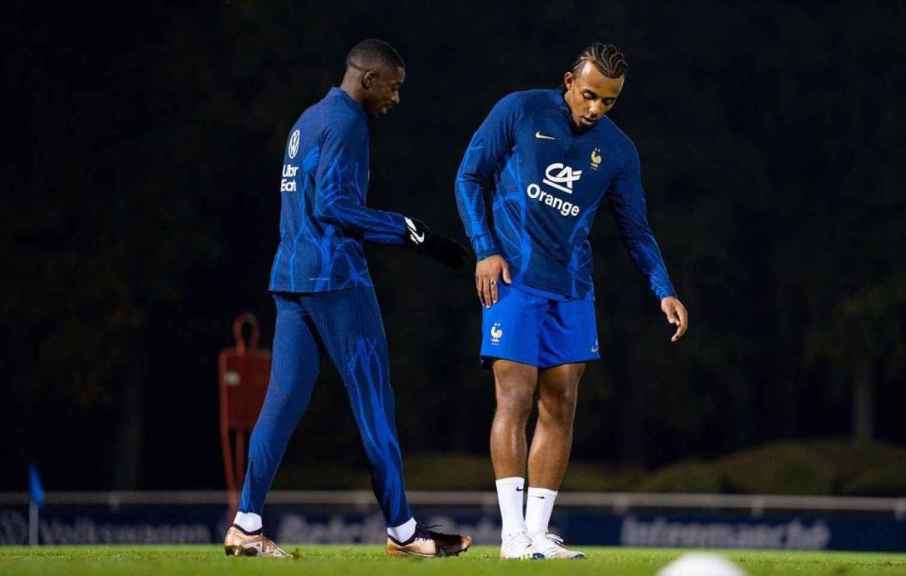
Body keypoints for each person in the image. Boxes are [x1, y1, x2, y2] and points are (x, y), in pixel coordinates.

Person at [224, 38, 472, 558]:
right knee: (374, 401)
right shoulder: (350, 124)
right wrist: (411, 231)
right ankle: (403, 532)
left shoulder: (306, 121)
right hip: (336, 281)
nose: (396, 99)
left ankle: (246, 524)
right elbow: (335, 204)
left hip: (290, 278)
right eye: (395, 87)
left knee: (281, 403)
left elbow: (301, 203)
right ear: (369, 79)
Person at [454, 42, 688, 559]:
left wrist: (664, 288)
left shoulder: (619, 151)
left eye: (608, 102)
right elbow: (468, 176)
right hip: (513, 277)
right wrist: (485, 249)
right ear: (567, 81)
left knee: (560, 405)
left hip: (573, 288)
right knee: (513, 399)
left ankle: (538, 534)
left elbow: (636, 228)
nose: (595, 109)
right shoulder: (519, 110)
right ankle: (512, 535)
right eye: (588, 96)